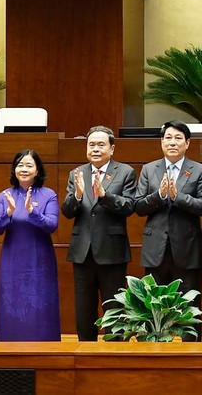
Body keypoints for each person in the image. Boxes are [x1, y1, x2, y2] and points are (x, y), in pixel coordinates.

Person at [134, 120, 202, 341]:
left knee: (190, 310)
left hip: (187, 249)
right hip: (154, 250)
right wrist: (159, 195)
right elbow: (138, 206)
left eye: (178, 138)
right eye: (168, 137)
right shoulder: (149, 169)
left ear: (187, 143)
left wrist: (178, 196)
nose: (172, 142)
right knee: (153, 310)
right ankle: (154, 352)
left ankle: (192, 355)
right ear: (161, 142)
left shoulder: (199, 170)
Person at [61, 125, 136, 341]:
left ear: (112, 149)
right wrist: (76, 195)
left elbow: (129, 206)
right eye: (91, 144)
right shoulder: (77, 173)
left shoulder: (125, 172)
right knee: (84, 306)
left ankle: (113, 352)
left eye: (101, 144)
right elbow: (67, 211)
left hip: (112, 250)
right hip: (82, 251)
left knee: (114, 307)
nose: (95, 149)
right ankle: (85, 348)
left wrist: (105, 196)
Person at [0, 149, 60, 341]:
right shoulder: (6, 195)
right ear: (14, 169)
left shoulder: (48, 194)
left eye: (29, 165)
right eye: (20, 165)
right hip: (12, 259)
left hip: (40, 260)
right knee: (12, 302)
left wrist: (32, 211)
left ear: (37, 170)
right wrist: (9, 213)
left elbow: (51, 226)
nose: (24, 169)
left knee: (39, 305)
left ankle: (45, 347)